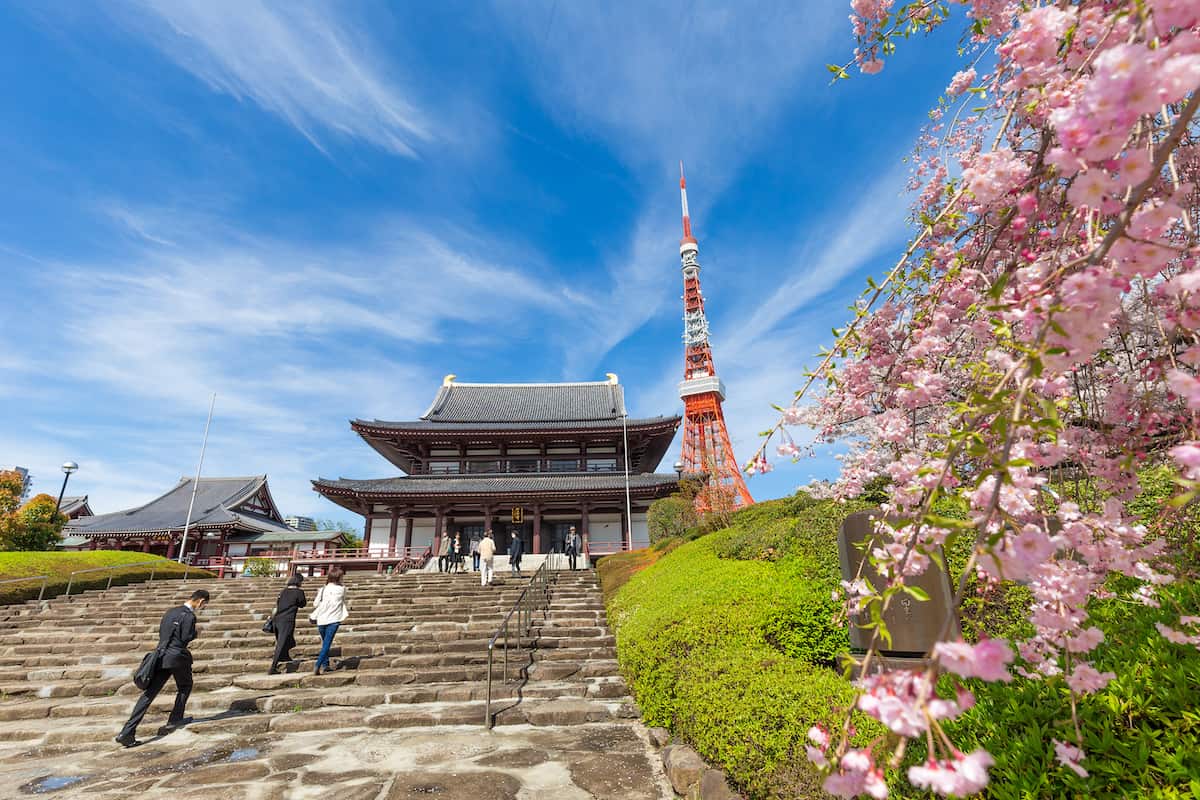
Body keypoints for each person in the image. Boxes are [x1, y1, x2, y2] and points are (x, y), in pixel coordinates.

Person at [115, 589, 210, 747]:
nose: (203, 607)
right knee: (185, 686)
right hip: (177, 657)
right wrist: (196, 633)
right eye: (204, 604)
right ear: (200, 601)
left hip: (160, 656)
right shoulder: (189, 616)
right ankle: (175, 718)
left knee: (149, 694)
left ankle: (127, 731)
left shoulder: (170, 612)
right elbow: (185, 638)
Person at [310, 566, 349, 675]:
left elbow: (315, 604)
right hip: (334, 619)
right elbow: (344, 601)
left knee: (325, 643)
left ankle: (325, 664)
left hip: (321, 619)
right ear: (338, 578)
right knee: (327, 643)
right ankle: (318, 664)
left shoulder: (323, 589)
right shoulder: (342, 589)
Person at [268, 573, 306, 674]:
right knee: (282, 642)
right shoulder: (299, 592)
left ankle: (285, 656)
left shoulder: (283, 591)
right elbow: (303, 604)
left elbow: (278, 604)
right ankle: (273, 667)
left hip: (277, 619)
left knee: (288, 639)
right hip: (287, 620)